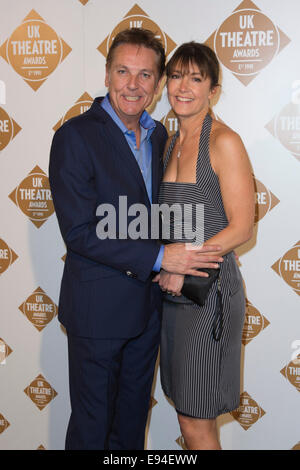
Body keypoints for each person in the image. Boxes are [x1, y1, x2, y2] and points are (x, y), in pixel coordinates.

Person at [49, 29, 224, 450]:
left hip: (148, 312)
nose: (133, 84)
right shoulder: (75, 136)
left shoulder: (162, 137)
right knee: (92, 429)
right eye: (123, 71)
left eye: (145, 75)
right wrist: (163, 257)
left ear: (158, 82)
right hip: (97, 312)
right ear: (107, 74)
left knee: (130, 430)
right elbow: (80, 233)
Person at [156, 42, 255, 450]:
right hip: (173, 292)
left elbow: (242, 227)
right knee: (188, 414)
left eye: (196, 78)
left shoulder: (224, 142)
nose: (183, 86)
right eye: (177, 75)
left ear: (212, 90)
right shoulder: (168, 142)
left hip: (209, 292)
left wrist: (181, 264)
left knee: (195, 421)